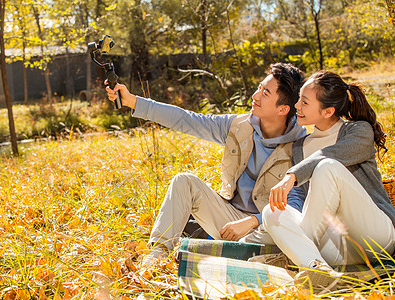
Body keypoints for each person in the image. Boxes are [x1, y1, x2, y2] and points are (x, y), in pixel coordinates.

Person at [106, 63, 306, 265]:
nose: (255, 95)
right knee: (184, 182)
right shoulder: (238, 126)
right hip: (229, 220)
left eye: (265, 93)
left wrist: (254, 221)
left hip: (267, 229)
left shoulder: (302, 146)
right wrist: (132, 101)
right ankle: (157, 257)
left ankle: (230, 253)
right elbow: (187, 120)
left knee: (266, 242)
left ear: (283, 108)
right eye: (259, 88)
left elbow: (295, 207)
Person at [254, 70, 395, 292]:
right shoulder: (300, 146)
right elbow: (300, 199)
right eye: (299, 98)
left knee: (327, 167)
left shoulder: (358, 131)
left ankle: (292, 257)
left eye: (305, 102)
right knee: (272, 211)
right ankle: (315, 267)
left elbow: (328, 156)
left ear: (328, 111)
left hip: (376, 237)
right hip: (336, 248)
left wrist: (292, 175)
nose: (297, 105)